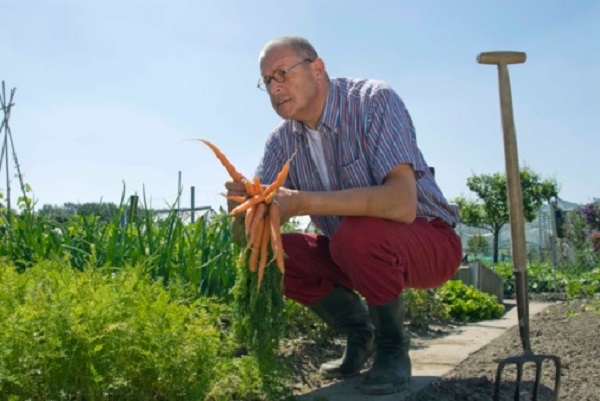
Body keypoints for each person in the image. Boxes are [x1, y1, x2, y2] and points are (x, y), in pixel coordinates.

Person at [225, 36, 462, 395]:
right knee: (271, 255)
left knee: (358, 234)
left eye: (282, 73)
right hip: (351, 253)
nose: (275, 88)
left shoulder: (372, 102)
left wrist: (303, 202)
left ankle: (393, 350)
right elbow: (246, 239)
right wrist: (240, 211)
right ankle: (359, 332)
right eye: (267, 81)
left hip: (428, 241)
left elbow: (402, 203)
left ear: (317, 69)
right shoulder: (281, 142)